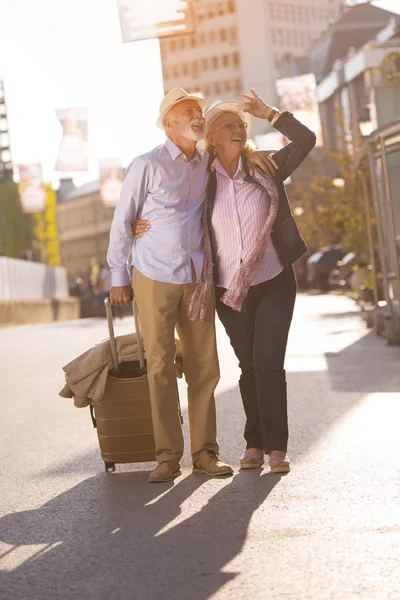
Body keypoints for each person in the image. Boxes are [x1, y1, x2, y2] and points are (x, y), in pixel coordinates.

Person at [134, 90, 316, 474]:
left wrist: (269, 113)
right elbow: (175, 207)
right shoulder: (204, 180)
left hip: (273, 280)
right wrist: (142, 223)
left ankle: (276, 448)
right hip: (228, 290)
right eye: (227, 125)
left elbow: (306, 140)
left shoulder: (265, 165)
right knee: (248, 365)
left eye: (240, 125)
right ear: (212, 138)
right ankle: (254, 442)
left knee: (267, 362)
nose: (237, 129)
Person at [107, 88, 277, 483]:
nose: (198, 117)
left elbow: (237, 157)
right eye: (188, 112)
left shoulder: (208, 161)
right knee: (161, 367)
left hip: (198, 276)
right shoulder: (146, 164)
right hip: (152, 275)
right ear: (170, 122)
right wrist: (119, 274)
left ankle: (205, 453)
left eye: (199, 111)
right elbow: (123, 219)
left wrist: (250, 152)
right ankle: (167, 456)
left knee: (205, 367)